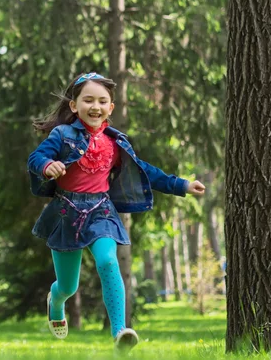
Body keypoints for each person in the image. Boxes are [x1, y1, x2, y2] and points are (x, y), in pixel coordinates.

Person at [27, 72, 205, 351]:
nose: (95, 106)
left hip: (101, 212)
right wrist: (47, 165)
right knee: (68, 286)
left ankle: (119, 331)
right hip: (66, 212)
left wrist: (181, 184)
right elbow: (36, 157)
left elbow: (146, 171)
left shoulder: (115, 142)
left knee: (108, 261)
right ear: (74, 105)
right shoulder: (61, 134)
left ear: (111, 108)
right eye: (88, 100)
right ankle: (56, 299)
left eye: (102, 101)